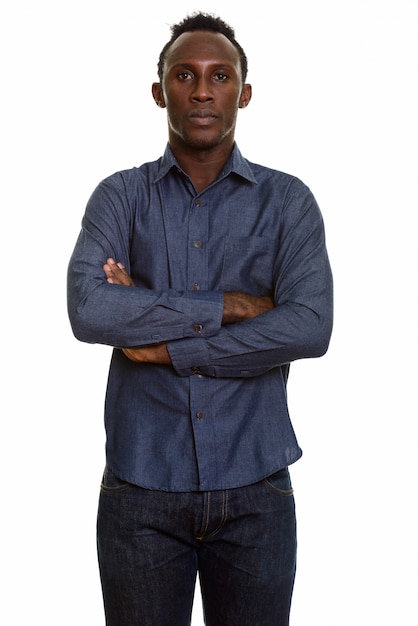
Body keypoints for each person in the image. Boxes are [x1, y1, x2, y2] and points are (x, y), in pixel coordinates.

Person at [67, 11, 333, 626]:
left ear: (244, 93)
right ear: (160, 91)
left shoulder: (288, 202)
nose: (203, 90)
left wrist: (159, 343)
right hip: (140, 488)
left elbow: (309, 327)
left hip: (256, 486)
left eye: (220, 75)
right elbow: (89, 308)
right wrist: (232, 307)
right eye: (185, 75)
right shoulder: (120, 197)